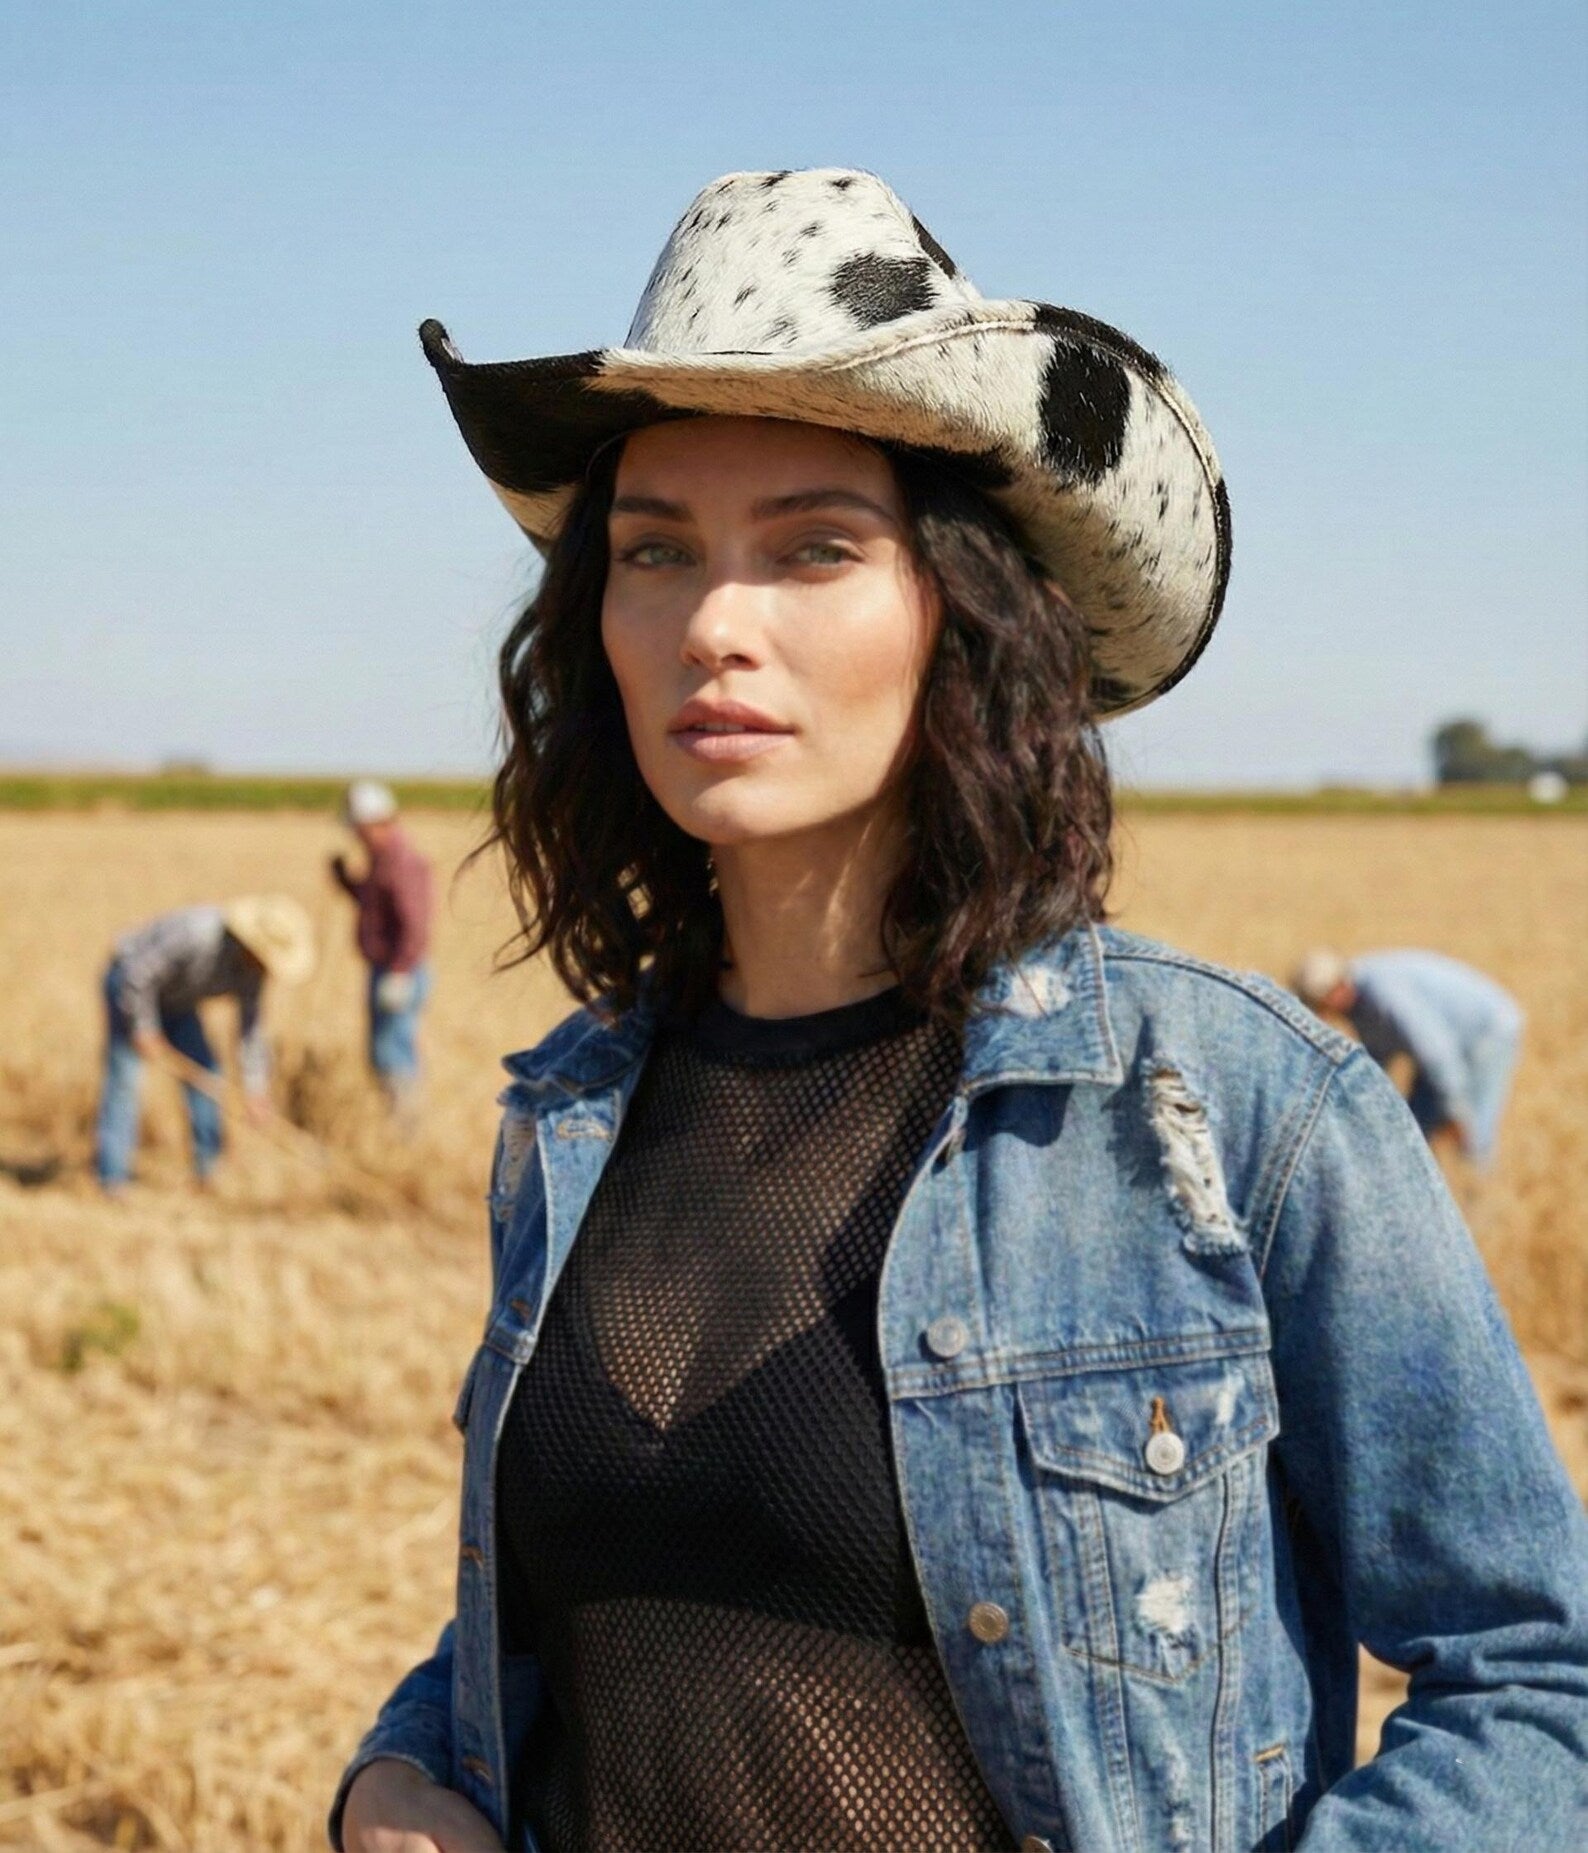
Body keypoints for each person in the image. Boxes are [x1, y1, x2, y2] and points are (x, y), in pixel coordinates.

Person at [332, 170, 1588, 1853]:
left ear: (959, 612)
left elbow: (1534, 1682)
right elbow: (577, 1608)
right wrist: (393, 1779)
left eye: (813, 547)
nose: (715, 624)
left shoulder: (1228, 1108)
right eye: (655, 552)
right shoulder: (569, 1119)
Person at [95, 895, 314, 1191]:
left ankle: (208, 1172)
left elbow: (250, 1032)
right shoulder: (196, 934)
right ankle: (112, 1179)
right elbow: (135, 972)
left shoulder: (253, 973)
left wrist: (255, 1090)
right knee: (125, 1081)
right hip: (130, 991)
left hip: (178, 1001)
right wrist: (143, 1028)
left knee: (208, 1077)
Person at [1292, 947, 1524, 1166]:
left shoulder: (1383, 991)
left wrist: (1455, 1112)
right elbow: (1378, 1059)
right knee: (1414, 1129)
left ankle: (1479, 1192)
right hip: (1444, 1047)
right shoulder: (1355, 1005)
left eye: (1318, 1003)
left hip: (1486, 1031)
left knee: (1472, 1129)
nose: (1320, 1013)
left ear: (1337, 989)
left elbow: (1436, 1052)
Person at [331, 779, 435, 1109]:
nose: (355, 836)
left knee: (393, 1053)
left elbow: (415, 924)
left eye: (359, 829)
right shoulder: (381, 859)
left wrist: (401, 972)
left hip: (399, 971)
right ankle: (394, 1125)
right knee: (383, 1052)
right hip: (389, 969)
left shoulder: (400, 862)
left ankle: (404, 1130)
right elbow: (374, 905)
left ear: (376, 823)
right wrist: (346, 881)